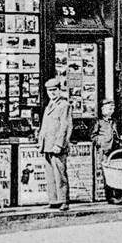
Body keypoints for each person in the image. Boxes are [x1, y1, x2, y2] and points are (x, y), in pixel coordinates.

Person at [38, 77, 73, 211]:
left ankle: (64, 200)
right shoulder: (49, 106)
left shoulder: (64, 105)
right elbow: (45, 126)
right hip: (47, 145)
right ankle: (53, 200)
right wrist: (41, 142)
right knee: (50, 175)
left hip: (57, 146)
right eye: (49, 90)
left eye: (54, 90)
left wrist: (59, 144)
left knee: (60, 175)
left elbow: (66, 126)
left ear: (59, 90)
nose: (52, 93)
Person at [92, 99, 122, 204]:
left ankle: (120, 195)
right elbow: (93, 136)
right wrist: (101, 143)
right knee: (108, 173)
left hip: (117, 150)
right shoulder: (98, 122)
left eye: (113, 108)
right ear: (102, 109)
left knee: (118, 173)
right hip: (106, 151)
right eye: (109, 108)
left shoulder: (115, 121)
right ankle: (110, 196)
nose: (112, 110)